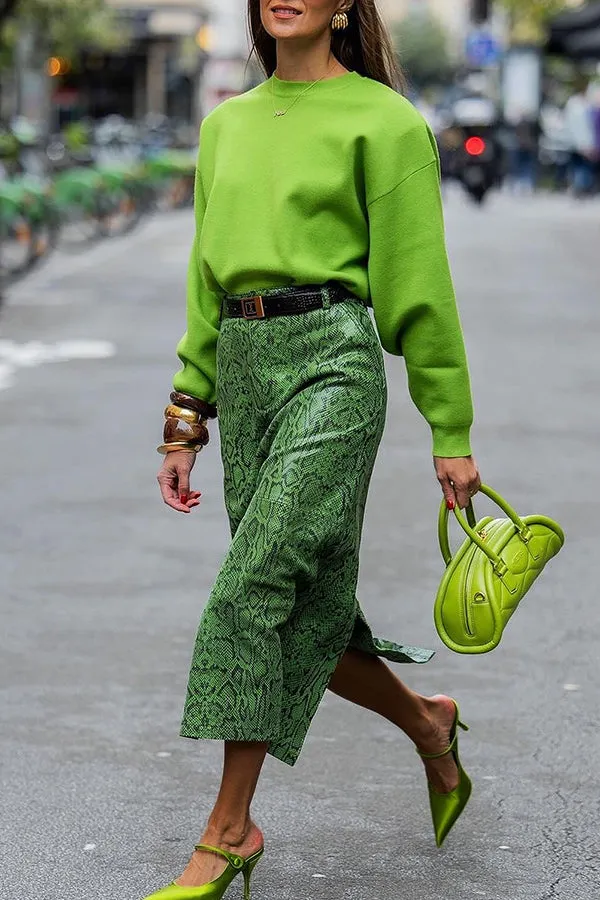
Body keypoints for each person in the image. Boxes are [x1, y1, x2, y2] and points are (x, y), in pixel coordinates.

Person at [149, 2, 481, 898]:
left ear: (344, 6)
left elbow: (419, 285)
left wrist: (450, 430)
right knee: (303, 607)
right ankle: (429, 724)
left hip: (334, 359)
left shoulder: (385, 119)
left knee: (254, 583)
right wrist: (188, 415)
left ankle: (229, 831)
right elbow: (202, 281)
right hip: (247, 368)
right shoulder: (226, 125)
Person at [564, 75, 597, 197]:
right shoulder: (582, 107)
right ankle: (581, 189)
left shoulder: (573, 104)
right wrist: (586, 143)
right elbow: (583, 128)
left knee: (577, 166)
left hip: (573, 142)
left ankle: (579, 189)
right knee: (582, 167)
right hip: (581, 142)